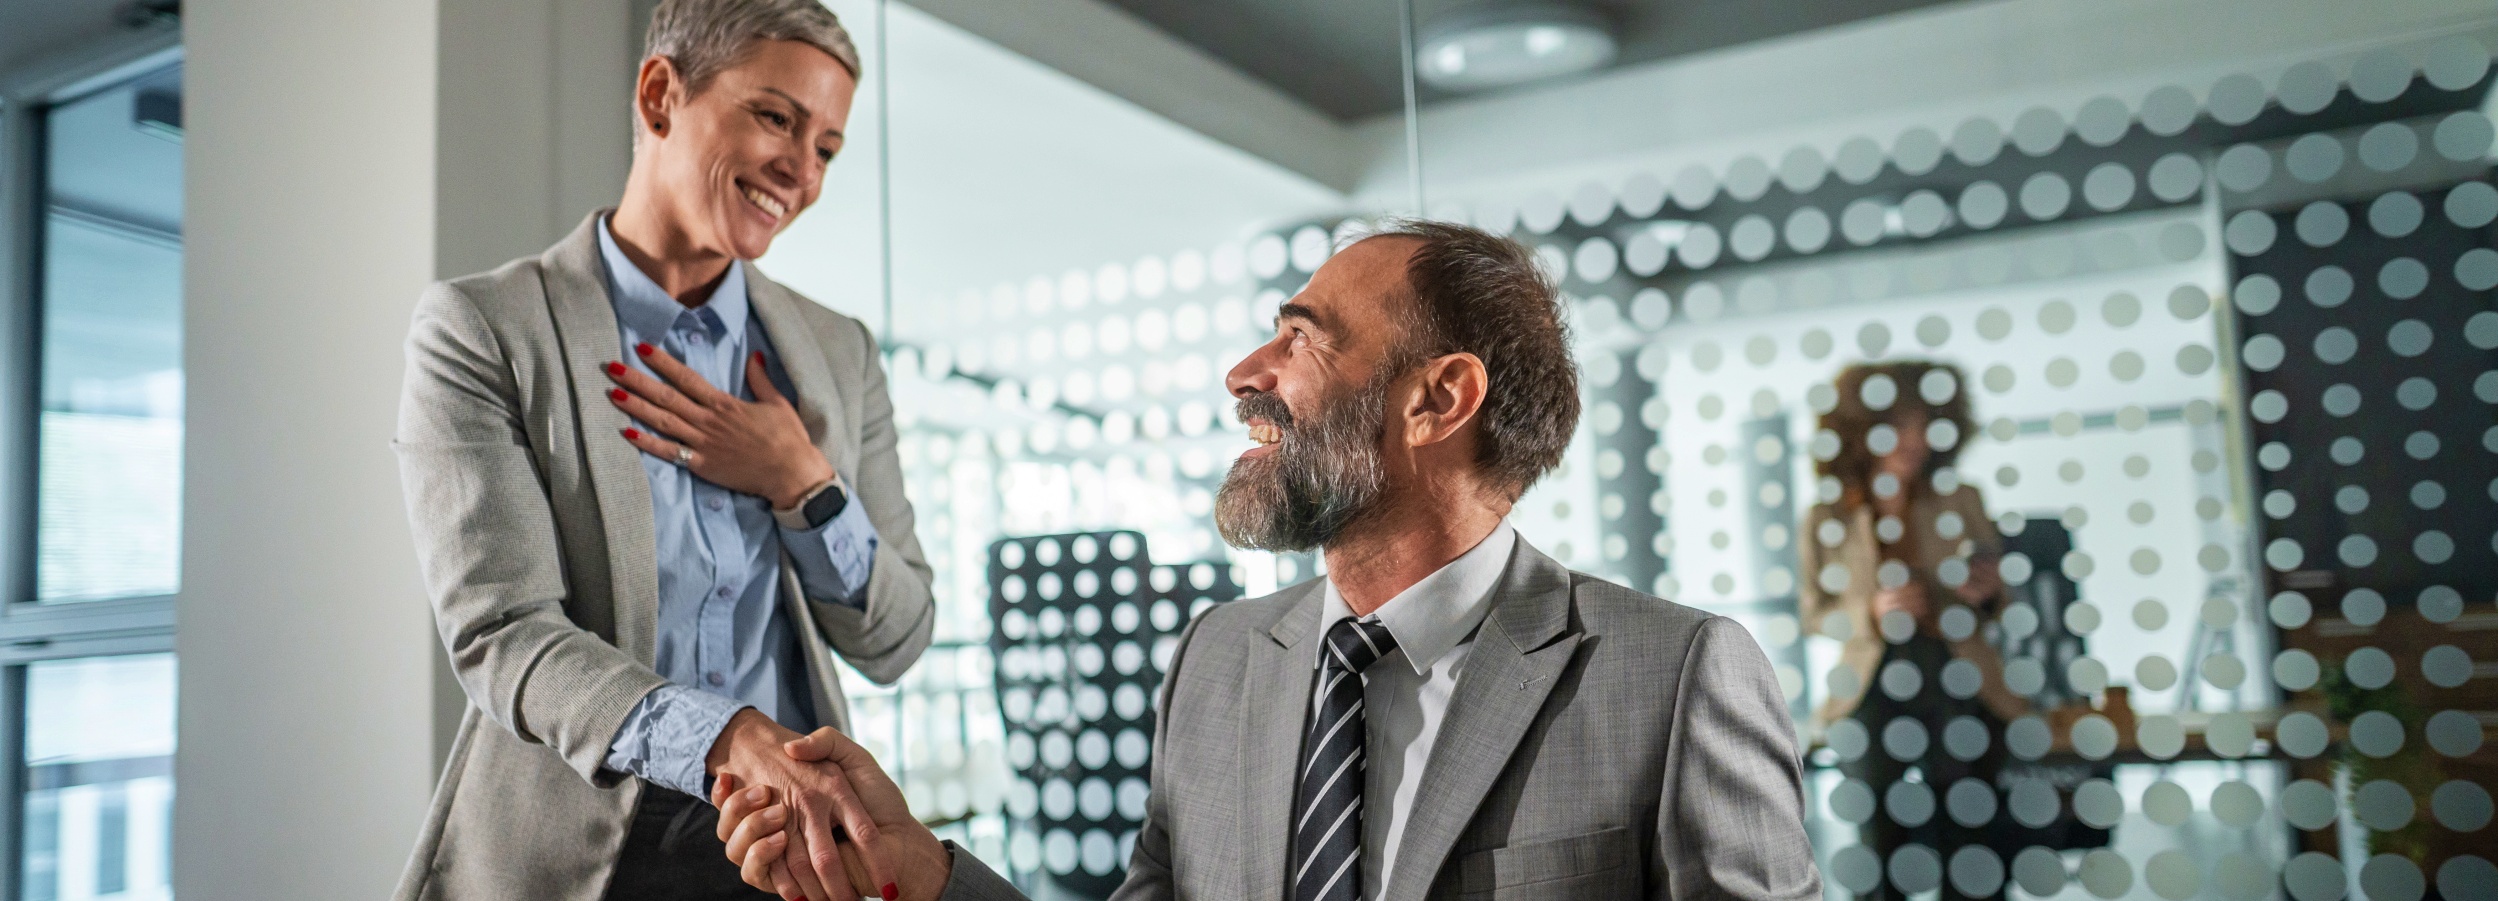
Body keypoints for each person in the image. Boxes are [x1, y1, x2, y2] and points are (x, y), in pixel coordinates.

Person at [708, 220, 1824, 901]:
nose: (1245, 371)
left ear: (1438, 399)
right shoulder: (1222, 658)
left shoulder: (1672, 676)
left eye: (1301, 338)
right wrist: (920, 870)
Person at [391, 2, 934, 899]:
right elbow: (502, 632)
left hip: (790, 858)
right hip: (570, 853)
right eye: (776, 118)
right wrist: (723, 735)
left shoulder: (840, 353)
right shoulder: (484, 330)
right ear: (658, 96)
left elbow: (900, 637)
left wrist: (805, 484)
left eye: (828, 149)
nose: (801, 172)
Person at [1794, 360, 2028, 901]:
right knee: (1883, 839)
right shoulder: (1828, 515)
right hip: (1873, 684)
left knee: (1969, 834)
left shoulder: (1959, 499)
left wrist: (1987, 590)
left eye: (1925, 426)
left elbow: (2001, 596)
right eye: (1900, 425)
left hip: (1957, 673)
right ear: (1862, 431)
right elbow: (1813, 612)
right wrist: (1869, 612)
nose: (1916, 440)